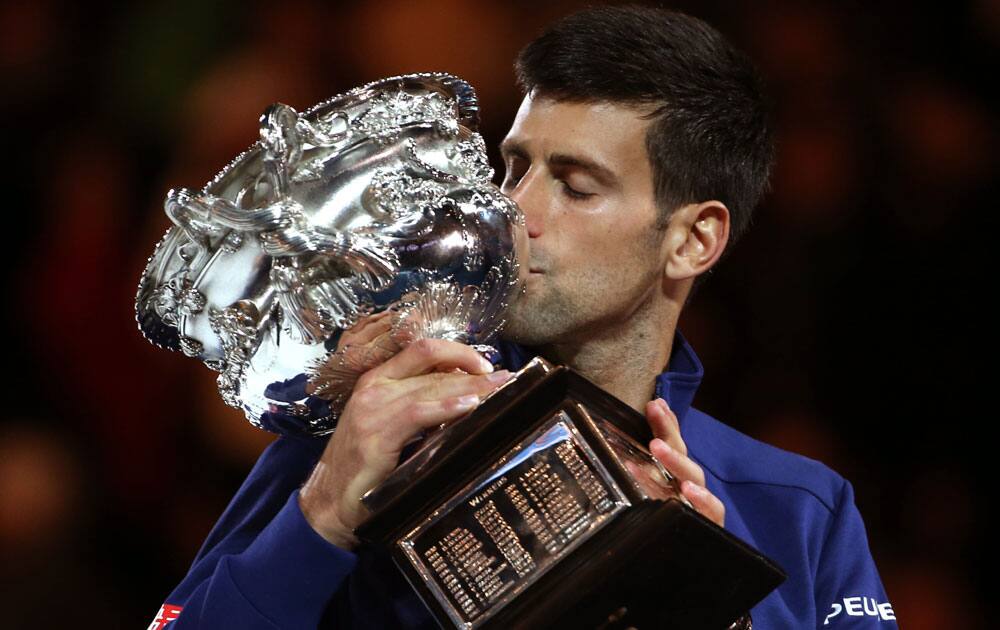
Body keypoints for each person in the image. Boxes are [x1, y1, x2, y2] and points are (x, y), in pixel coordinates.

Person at [150, 5, 896, 629]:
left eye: (575, 187)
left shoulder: (799, 512)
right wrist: (318, 520)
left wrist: (715, 604)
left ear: (693, 240)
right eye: (515, 167)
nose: (515, 210)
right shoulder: (371, 431)